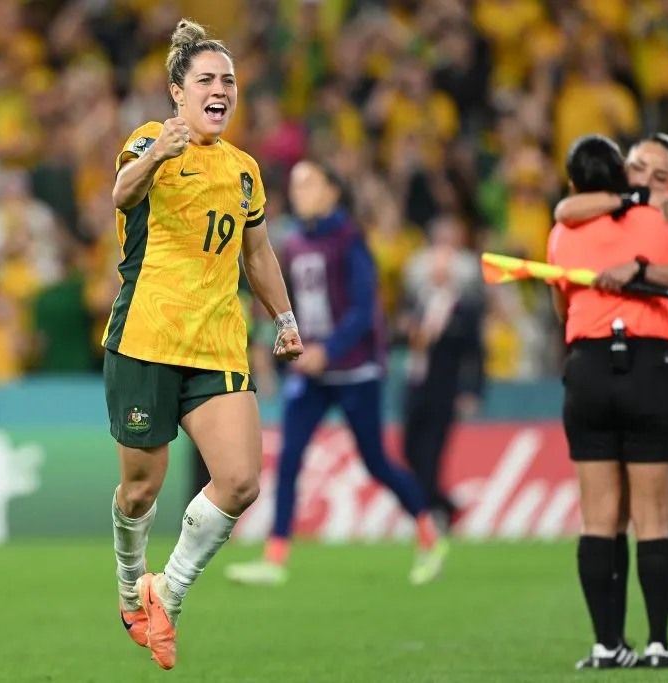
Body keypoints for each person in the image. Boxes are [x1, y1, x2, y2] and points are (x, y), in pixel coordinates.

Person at [105, 20, 303, 671]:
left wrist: (283, 314)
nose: (221, 90)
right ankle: (130, 579)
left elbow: (257, 249)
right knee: (140, 488)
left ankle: (170, 591)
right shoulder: (148, 140)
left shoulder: (244, 170)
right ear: (177, 92)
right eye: (207, 80)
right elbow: (120, 193)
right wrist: (159, 151)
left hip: (217, 346)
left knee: (241, 479)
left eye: (229, 81)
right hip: (146, 340)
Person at [223, 159, 447, 587]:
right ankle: (275, 557)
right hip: (311, 370)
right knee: (288, 460)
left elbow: (366, 311)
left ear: (332, 190)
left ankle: (427, 532)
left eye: (308, 183)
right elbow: (279, 298)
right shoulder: (294, 243)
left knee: (376, 461)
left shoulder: (350, 241)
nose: (299, 191)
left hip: (354, 370)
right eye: (295, 184)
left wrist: (328, 350)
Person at [553, 133, 668, 667]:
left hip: (664, 363)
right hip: (653, 366)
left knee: (666, 510)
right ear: (620, 169)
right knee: (644, 513)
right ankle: (656, 642)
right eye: (637, 168)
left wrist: (641, 271)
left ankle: (664, 639)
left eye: (661, 176)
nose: (647, 181)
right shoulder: (639, 215)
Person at [400, 216, 485, 530]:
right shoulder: (418, 301)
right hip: (416, 384)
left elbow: (476, 353)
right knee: (409, 450)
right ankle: (445, 506)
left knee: (432, 453)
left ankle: (427, 518)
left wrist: (472, 390)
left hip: (444, 388)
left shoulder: (465, 307)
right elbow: (402, 333)